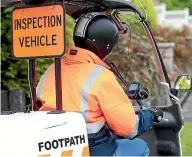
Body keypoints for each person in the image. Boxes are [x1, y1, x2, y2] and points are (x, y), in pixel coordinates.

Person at [36, 12, 163, 156]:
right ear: (106, 44)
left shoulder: (52, 69)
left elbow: (39, 105)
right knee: (139, 147)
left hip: (55, 147)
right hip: (94, 148)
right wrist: (150, 115)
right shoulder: (100, 76)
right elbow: (128, 128)